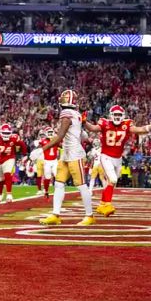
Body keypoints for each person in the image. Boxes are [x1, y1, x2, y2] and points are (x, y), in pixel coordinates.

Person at [84, 104, 151, 216]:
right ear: (111, 115)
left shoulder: (126, 124)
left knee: (112, 182)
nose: (117, 117)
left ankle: (102, 204)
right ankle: (107, 205)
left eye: (119, 115)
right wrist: (84, 122)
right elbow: (92, 128)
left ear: (123, 115)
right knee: (113, 179)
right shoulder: (105, 123)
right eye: (115, 114)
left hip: (118, 158)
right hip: (106, 156)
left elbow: (140, 129)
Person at [39, 90, 95, 226]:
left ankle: (90, 215)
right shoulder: (76, 114)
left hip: (75, 154)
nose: (62, 99)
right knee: (58, 183)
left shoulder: (67, 114)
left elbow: (60, 136)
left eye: (64, 97)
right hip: (67, 153)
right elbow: (82, 134)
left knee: (82, 186)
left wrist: (42, 149)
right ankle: (55, 214)